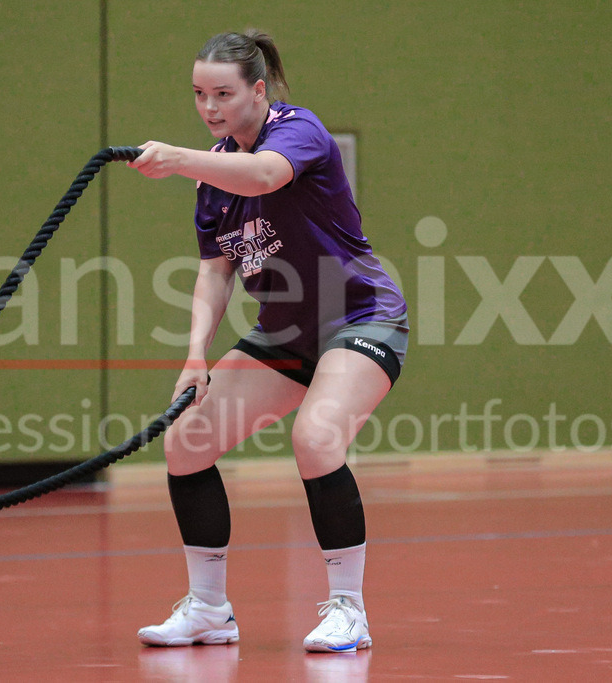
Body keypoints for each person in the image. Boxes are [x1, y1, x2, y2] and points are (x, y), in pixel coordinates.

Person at [127, 29, 408, 653]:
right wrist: (196, 353)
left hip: (361, 317)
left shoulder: (297, 130)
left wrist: (177, 157)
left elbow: (262, 175)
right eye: (200, 94)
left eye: (223, 94)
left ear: (258, 90)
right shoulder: (211, 180)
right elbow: (215, 270)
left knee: (315, 436)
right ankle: (208, 610)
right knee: (187, 442)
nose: (210, 108)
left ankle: (349, 613)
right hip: (284, 333)